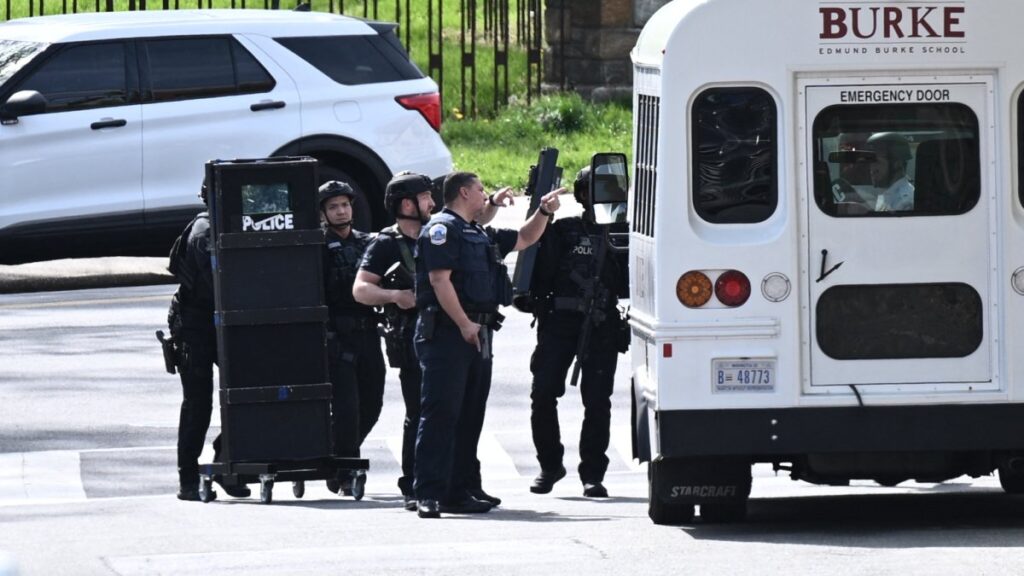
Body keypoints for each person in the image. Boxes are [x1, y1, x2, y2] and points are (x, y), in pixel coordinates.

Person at [413, 171, 562, 518]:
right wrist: (464, 323)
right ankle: (429, 493)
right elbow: (439, 280)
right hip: (449, 334)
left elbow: (526, 238)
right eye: (481, 190)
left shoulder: (477, 232)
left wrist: (544, 211)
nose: (486, 195)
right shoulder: (442, 229)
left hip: (478, 333)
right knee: (441, 414)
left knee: (469, 416)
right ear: (464, 193)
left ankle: (461, 489)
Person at [525, 166, 630, 498]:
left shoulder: (623, 234)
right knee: (543, 394)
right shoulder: (563, 231)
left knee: (597, 402)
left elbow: (634, 283)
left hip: (601, 324)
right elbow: (535, 273)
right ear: (582, 194)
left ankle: (593, 474)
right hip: (559, 322)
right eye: (597, 188)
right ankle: (550, 465)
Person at [352, 172, 436, 511]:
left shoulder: (438, 232)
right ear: (407, 204)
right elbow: (361, 289)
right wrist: (395, 295)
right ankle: (413, 483)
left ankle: (455, 479)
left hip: (445, 335)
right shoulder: (386, 242)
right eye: (426, 197)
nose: (433, 202)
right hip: (411, 338)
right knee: (418, 411)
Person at [167, 178, 250, 501]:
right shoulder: (204, 231)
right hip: (196, 322)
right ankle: (188, 478)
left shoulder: (236, 225)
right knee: (198, 402)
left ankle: (224, 463)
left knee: (247, 396)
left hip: (226, 319)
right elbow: (218, 282)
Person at [320, 180, 386, 497]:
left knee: (372, 404)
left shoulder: (368, 242)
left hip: (369, 333)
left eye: (344, 204)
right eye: (333, 206)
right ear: (323, 213)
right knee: (346, 408)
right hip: (336, 338)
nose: (340, 210)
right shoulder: (316, 247)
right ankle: (346, 472)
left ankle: (335, 454)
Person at [865, 132, 914, 212]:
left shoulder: (905, 203)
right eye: (870, 162)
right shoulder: (887, 194)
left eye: (877, 162)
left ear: (897, 163)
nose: (871, 168)